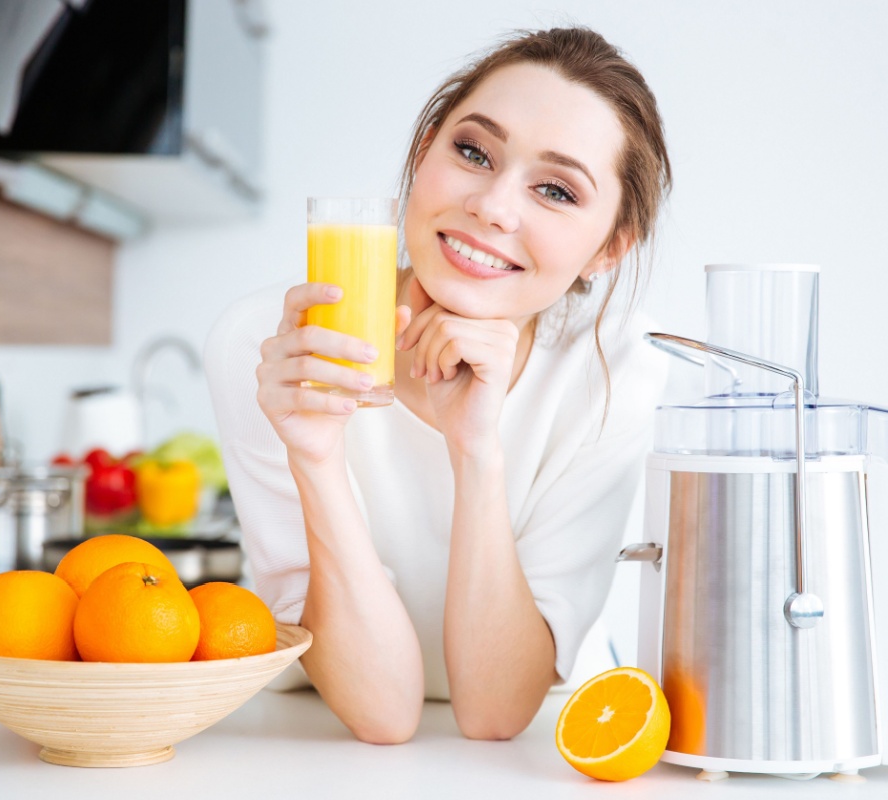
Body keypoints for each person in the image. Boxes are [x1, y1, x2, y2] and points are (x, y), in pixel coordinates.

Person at [205, 27, 671, 745]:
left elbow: (492, 712)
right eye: (473, 152)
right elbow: (382, 714)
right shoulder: (269, 346)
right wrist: (316, 455)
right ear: (425, 153)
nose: (492, 205)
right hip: (306, 736)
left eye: (555, 189)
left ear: (608, 248)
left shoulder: (616, 372)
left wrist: (476, 449)